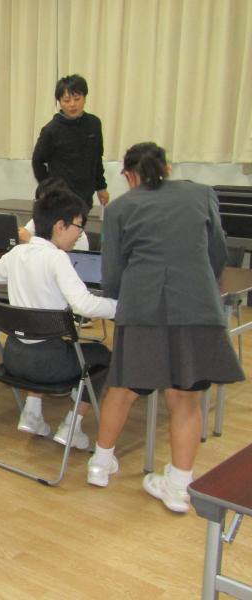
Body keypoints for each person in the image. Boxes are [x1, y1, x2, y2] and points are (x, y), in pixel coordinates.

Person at [87, 142, 244, 511]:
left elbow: (112, 274)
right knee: (185, 397)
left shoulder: (119, 208)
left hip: (142, 307)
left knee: (122, 388)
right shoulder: (201, 195)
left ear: (129, 176)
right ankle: (178, 486)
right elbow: (217, 253)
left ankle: (100, 465)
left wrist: (123, 297)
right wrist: (201, 284)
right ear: (167, 168)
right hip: (196, 306)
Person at [0, 188, 116, 449]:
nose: (80, 234)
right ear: (60, 226)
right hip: (49, 364)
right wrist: (119, 307)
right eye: (78, 227)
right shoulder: (57, 258)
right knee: (103, 355)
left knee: (41, 335)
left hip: (13, 357)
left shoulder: (19, 252)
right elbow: (84, 305)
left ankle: (32, 413)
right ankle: (71, 427)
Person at [32, 74, 109, 209]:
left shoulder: (94, 124)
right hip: (61, 199)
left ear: (85, 98)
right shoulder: (51, 129)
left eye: (77, 99)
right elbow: (37, 161)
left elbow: (97, 158)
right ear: (59, 102)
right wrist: (49, 189)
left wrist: (101, 187)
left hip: (85, 196)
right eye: (66, 100)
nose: (72, 104)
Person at [18, 177, 90, 250]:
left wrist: (30, 240)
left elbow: (56, 255)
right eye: (39, 202)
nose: (42, 208)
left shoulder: (75, 231)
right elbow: (22, 235)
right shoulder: (36, 222)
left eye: (47, 204)